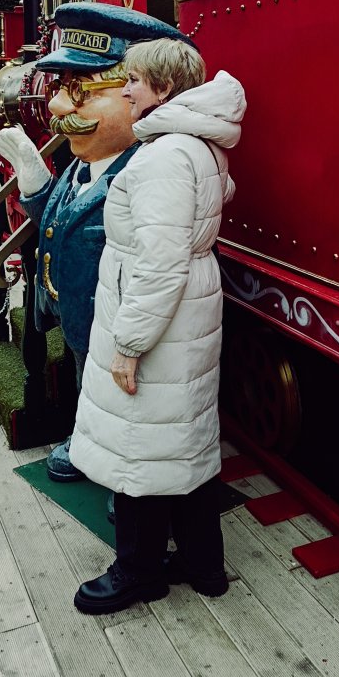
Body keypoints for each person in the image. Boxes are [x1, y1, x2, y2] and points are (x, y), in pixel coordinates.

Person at [70, 37, 246, 615]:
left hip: (160, 320)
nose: (125, 90)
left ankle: (138, 572)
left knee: (140, 446)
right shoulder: (196, 145)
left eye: (136, 81)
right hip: (188, 308)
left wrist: (129, 345)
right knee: (182, 441)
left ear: (165, 88)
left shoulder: (167, 154)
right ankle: (203, 564)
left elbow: (158, 260)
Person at [0, 3, 190, 483]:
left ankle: (125, 474)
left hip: (121, 320)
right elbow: (60, 225)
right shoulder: (84, 165)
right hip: (82, 313)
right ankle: (89, 441)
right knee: (90, 383)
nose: (60, 107)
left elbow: (158, 261)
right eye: (62, 89)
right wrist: (36, 181)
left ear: (140, 93)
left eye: (80, 91)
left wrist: (133, 333)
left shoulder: (148, 172)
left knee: (129, 397)